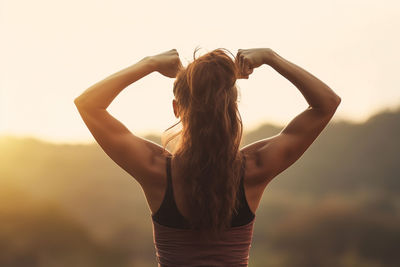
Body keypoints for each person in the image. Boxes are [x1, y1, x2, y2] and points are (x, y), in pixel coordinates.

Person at [74, 47, 341, 267]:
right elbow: (326, 103)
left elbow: (88, 104)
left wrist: (150, 63)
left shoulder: (155, 170)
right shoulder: (256, 168)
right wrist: (271, 58)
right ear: (232, 106)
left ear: (177, 109)